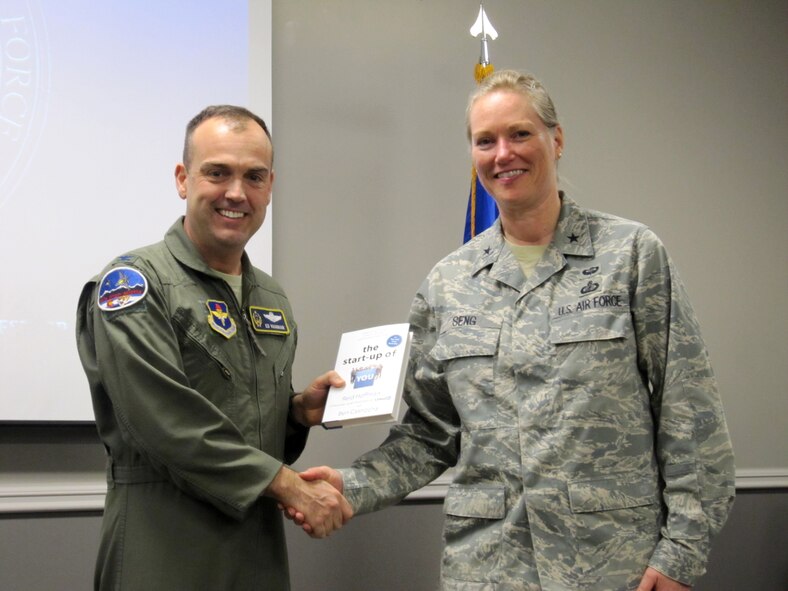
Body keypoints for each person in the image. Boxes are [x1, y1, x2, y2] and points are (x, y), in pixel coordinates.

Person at [291, 71, 735, 591]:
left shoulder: (631, 255)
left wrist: (680, 553)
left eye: (520, 134)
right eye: (486, 140)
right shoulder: (448, 284)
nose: (503, 153)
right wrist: (352, 486)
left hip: (613, 565)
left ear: (557, 139)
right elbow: (432, 432)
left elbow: (690, 412)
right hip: (490, 569)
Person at [76, 105, 352, 591]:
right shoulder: (134, 284)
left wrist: (296, 414)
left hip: (257, 554)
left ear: (270, 187)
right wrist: (292, 487)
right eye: (217, 173)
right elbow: (167, 426)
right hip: (163, 549)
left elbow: (250, 429)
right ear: (183, 179)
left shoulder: (271, 298)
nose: (236, 193)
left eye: (254, 176)